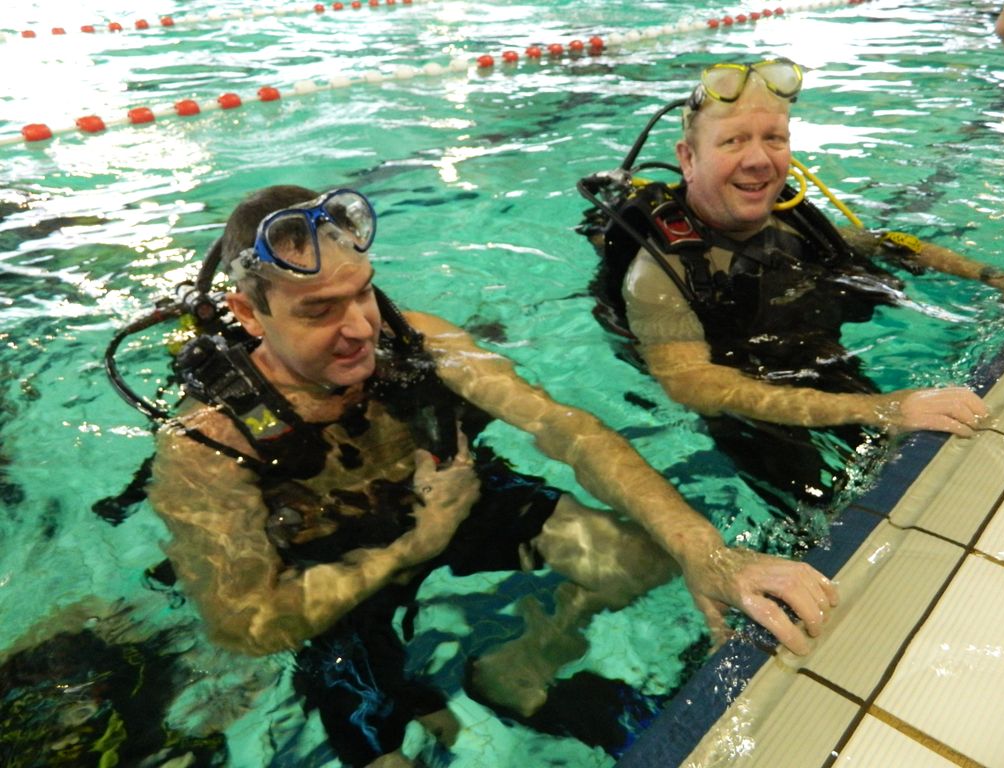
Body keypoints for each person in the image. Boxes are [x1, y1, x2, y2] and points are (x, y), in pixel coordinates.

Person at [147, 184, 838, 766]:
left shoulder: (420, 340)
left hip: (455, 497)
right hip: (330, 570)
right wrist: (413, 545)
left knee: (640, 558)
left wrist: (707, 553)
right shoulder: (206, 444)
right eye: (319, 311)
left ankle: (516, 668)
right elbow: (245, 623)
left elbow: (568, 430)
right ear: (249, 313)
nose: (359, 328)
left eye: (362, 292)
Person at [581, 58, 1004, 516]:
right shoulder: (655, 275)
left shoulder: (789, 217)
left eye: (774, 139)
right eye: (733, 141)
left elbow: (885, 244)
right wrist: (880, 409)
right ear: (688, 159)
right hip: (738, 394)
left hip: (802, 354)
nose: (759, 161)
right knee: (816, 505)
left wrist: (993, 278)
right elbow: (693, 385)